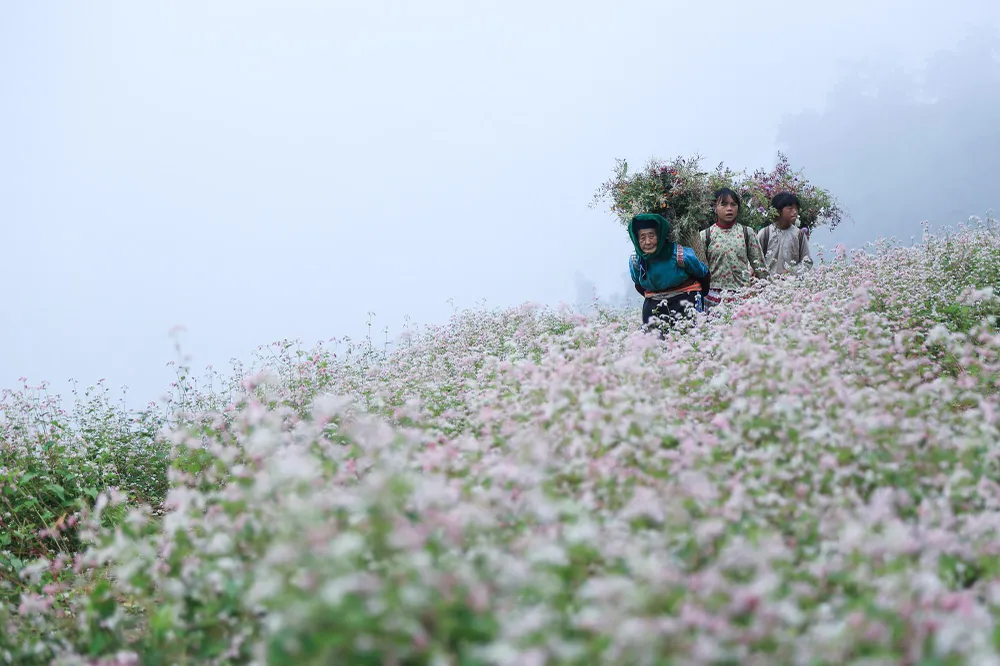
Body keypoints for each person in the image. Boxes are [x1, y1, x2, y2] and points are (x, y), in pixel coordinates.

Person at [628, 213, 710, 329]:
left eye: (651, 236)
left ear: (660, 235)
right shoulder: (636, 261)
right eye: (642, 238)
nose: (647, 242)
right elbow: (639, 285)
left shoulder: (680, 254)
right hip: (654, 306)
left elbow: (703, 274)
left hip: (685, 303)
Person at [700, 187, 768, 310]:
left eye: (733, 204)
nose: (729, 209)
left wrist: (770, 292)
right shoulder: (706, 235)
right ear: (715, 208)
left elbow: (760, 266)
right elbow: (700, 269)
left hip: (742, 297)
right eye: (724, 204)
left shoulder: (747, 233)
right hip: (713, 298)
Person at [757, 191, 814, 276]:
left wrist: (791, 271)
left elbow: (807, 262)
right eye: (790, 208)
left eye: (796, 208)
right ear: (778, 211)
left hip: (791, 285)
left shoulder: (799, 235)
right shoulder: (765, 233)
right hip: (766, 284)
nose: (795, 212)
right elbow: (754, 259)